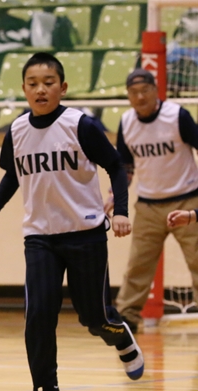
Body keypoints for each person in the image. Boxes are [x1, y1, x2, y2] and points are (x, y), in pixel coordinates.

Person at [0, 52, 144, 391]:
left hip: (86, 233)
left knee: (94, 318)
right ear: (23, 89)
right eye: (32, 84)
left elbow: (115, 165)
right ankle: (48, 390)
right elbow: (13, 174)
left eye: (48, 83)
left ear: (62, 88)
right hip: (39, 237)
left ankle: (122, 339)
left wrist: (123, 211)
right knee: (38, 315)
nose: (40, 89)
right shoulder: (17, 129)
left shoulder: (80, 125)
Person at [104, 69, 198, 333]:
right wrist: (115, 196)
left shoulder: (177, 116)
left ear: (156, 91)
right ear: (128, 97)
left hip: (187, 202)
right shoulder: (126, 122)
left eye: (145, 90)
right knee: (138, 267)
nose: (140, 96)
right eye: (134, 92)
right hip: (147, 206)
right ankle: (126, 320)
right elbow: (125, 165)